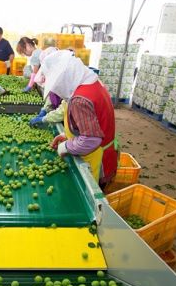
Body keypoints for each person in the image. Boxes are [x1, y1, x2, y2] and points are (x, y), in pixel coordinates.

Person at [40, 50, 118, 188]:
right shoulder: (91, 82)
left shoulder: (79, 100)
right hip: (107, 150)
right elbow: (94, 121)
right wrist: (67, 135)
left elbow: (91, 140)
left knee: (95, 195)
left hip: (97, 158)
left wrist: (65, 147)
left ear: (63, 78)